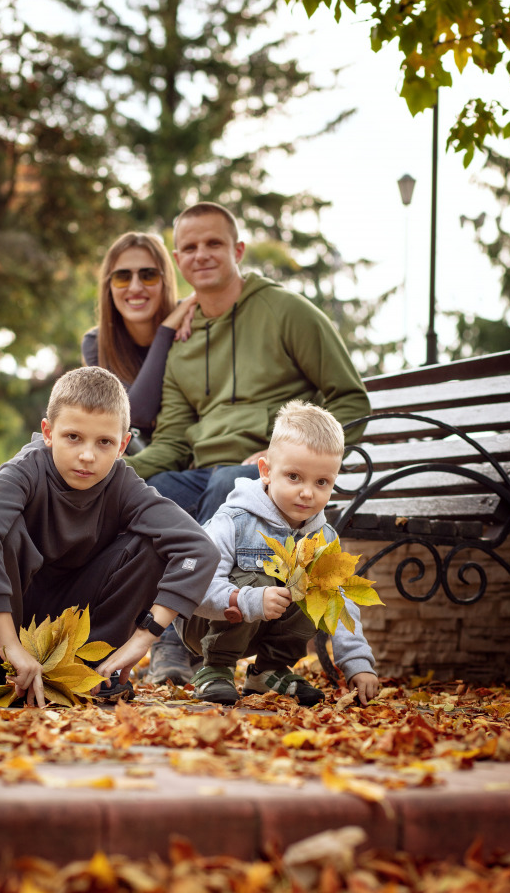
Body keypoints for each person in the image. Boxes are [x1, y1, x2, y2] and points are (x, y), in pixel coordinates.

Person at [125, 201, 371, 684]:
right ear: (179, 259)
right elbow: (173, 439)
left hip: (264, 476)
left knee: (226, 485)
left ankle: (180, 651)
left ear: (237, 249)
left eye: (214, 243)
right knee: (155, 495)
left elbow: (351, 399)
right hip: (202, 470)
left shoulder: (287, 312)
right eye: (190, 247)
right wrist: (118, 471)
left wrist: (283, 457)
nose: (202, 254)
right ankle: (169, 641)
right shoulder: (185, 342)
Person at [0, 366, 220, 707]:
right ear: (48, 432)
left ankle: (90, 664)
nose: (87, 456)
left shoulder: (123, 485)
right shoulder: (24, 472)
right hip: (8, 615)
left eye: (104, 442)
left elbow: (198, 549)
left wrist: (144, 638)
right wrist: (8, 645)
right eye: (73, 437)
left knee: (152, 545)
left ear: (122, 445)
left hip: (75, 617)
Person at [175, 400, 380, 708]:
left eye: (322, 482)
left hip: (264, 625)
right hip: (204, 621)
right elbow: (195, 584)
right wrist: (249, 600)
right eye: (294, 477)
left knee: (319, 588)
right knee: (262, 573)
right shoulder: (234, 520)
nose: (307, 492)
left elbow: (340, 603)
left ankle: (269, 670)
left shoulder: (323, 538)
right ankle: (215, 668)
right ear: (266, 471)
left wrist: (358, 663)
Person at [81, 232, 195, 448]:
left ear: (165, 281)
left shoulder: (191, 320)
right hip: (140, 460)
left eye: (148, 275)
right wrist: (166, 331)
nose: (135, 287)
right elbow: (136, 415)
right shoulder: (96, 344)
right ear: (109, 286)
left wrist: (193, 306)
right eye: (122, 277)